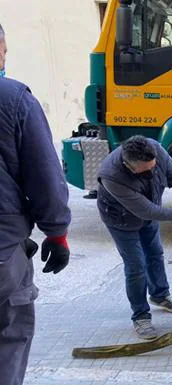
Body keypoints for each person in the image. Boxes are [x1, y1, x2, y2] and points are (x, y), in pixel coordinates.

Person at [97, 135, 172, 339]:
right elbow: (148, 211)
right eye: (146, 169)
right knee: (136, 266)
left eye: (154, 167)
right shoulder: (112, 176)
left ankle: (160, 295)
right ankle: (141, 316)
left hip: (147, 212)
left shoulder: (155, 150)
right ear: (130, 166)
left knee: (155, 254)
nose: (152, 170)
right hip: (121, 220)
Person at [0, 78, 72, 383]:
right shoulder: (12, 98)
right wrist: (57, 233)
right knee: (9, 337)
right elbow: (44, 172)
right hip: (3, 249)